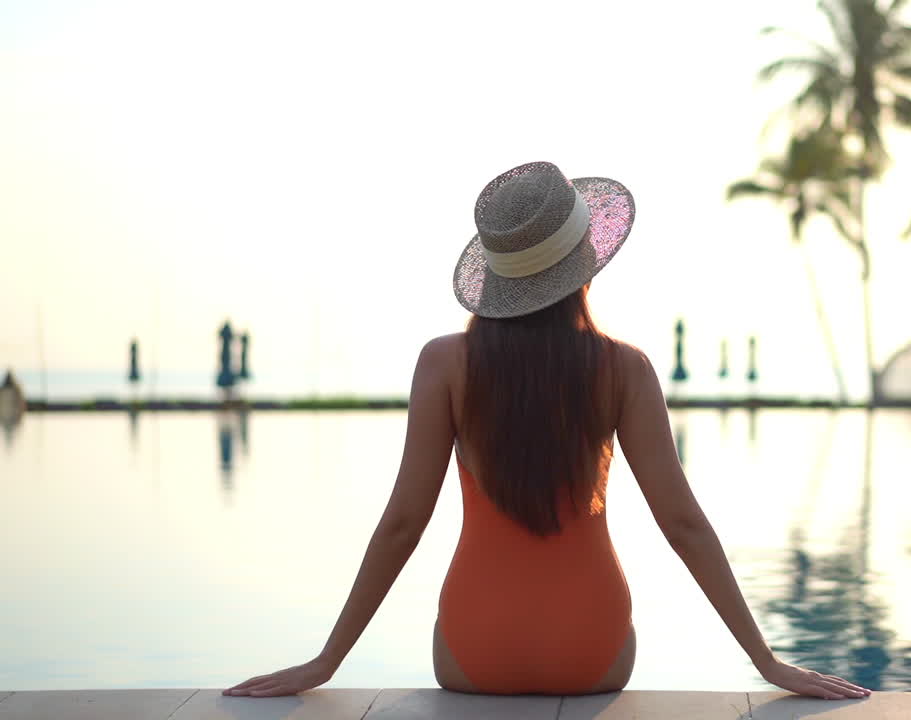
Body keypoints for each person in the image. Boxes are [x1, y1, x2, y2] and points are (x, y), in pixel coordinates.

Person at [223, 162, 871, 701]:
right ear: (585, 260)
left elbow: (403, 524)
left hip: (474, 652)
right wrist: (766, 662)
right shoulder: (625, 369)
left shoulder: (444, 364)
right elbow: (683, 524)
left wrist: (326, 662)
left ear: (495, 275)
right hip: (594, 652)